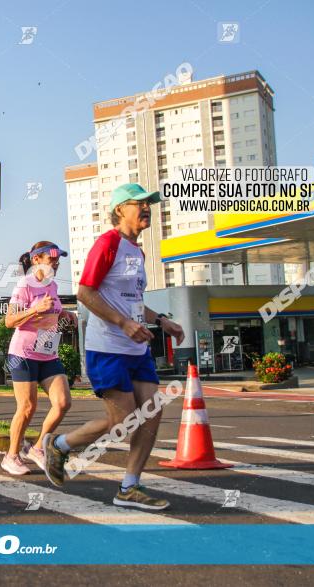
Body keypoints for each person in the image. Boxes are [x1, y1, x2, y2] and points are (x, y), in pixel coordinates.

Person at [43, 183, 184, 511]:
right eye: (140, 203)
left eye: (149, 204)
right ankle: (60, 445)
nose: (147, 208)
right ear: (120, 209)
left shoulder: (138, 251)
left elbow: (132, 301)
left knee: (151, 412)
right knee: (122, 422)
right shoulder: (108, 243)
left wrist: (161, 319)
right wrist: (123, 324)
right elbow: (86, 293)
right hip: (107, 348)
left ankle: (129, 487)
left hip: (136, 349)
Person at [1, 241, 76, 475]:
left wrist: (65, 313)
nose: (56, 262)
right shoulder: (25, 285)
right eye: (51, 258)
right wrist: (35, 309)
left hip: (47, 352)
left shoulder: (52, 285)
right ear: (36, 260)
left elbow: (51, 310)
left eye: (58, 259)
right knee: (27, 407)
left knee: (63, 402)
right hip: (23, 353)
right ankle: (11, 456)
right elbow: (9, 321)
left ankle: (36, 448)